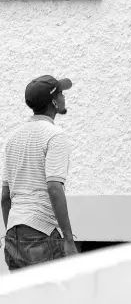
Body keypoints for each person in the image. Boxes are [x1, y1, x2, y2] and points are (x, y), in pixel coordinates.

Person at [1, 75, 78, 271]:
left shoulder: (13, 139)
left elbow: (4, 197)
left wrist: (13, 229)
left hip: (13, 235)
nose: (63, 97)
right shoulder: (55, 136)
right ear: (53, 101)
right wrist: (68, 239)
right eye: (61, 93)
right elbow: (54, 187)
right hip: (41, 234)